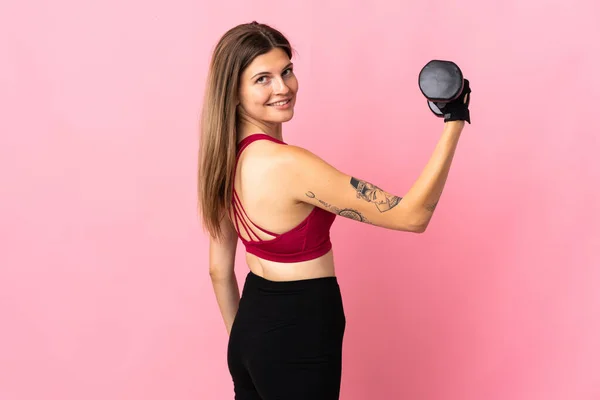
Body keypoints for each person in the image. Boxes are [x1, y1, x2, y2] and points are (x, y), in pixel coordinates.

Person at [197, 21, 471, 400]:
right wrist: (454, 119)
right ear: (234, 92)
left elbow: (218, 270)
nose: (283, 88)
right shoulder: (290, 165)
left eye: (286, 71)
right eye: (263, 78)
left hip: (250, 333)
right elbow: (412, 215)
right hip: (298, 335)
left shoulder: (223, 159)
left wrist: (248, 345)